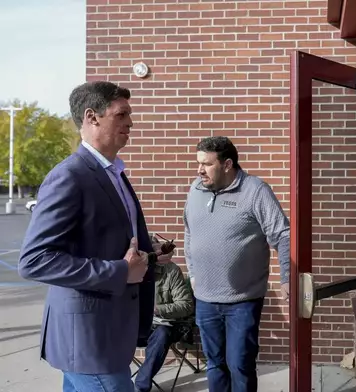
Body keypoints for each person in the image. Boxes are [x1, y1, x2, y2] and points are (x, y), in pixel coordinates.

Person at [18, 81, 162, 392]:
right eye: (121, 114)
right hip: (89, 340)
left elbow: (109, 239)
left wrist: (150, 254)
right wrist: (121, 271)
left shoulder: (114, 173)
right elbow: (34, 260)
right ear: (91, 117)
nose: (130, 122)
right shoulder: (69, 176)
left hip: (106, 334)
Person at [183, 136, 290, 392]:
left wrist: (287, 277)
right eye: (198, 163)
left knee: (239, 364)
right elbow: (189, 232)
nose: (199, 170)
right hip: (206, 299)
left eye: (206, 164)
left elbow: (283, 235)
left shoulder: (255, 191)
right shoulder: (196, 189)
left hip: (242, 300)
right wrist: (193, 272)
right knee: (215, 363)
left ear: (227, 164)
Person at [134, 235, 195, 392]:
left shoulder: (171, 271)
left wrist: (157, 309)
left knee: (162, 334)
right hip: (135, 325)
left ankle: (140, 387)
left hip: (163, 325)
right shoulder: (131, 272)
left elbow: (186, 305)